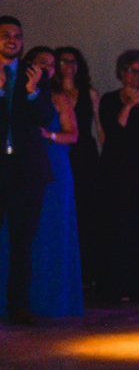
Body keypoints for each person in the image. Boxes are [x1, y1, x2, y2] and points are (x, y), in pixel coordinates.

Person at [13, 46, 83, 317]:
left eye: (52, 65)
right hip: (23, 168)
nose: (49, 69)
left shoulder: (58, 97)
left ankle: (52, 300)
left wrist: (49, 135)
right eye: (43, 63)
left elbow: (73, 135)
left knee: (53, 230)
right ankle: (19, 299)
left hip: (55, 166)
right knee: (25, 234)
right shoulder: (16, 94)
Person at [96, 50, 139, 302]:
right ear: (121, 72)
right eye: (130, 70)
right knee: (116, 229)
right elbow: (113, 132)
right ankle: (117, 288)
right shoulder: (109, 100)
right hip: (115, 172)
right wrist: (128, 105)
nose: (135, 76)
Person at [0, 17, 54, 324]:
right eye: (5, 35)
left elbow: (45, 117)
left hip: (27, 170)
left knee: (22, 240)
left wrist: (33, 91)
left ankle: (18, 303)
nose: (12, 39)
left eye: (17, 36)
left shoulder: (36, 75)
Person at [55, 46, 104, 290]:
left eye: (73, 62)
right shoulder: (50, 93)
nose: (69, 66)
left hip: (85, 153)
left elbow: (99, 126)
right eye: (63, 61)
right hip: (60, 152)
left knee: (87, 212)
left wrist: (107, 157)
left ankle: (87, 275)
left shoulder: (90, 93)